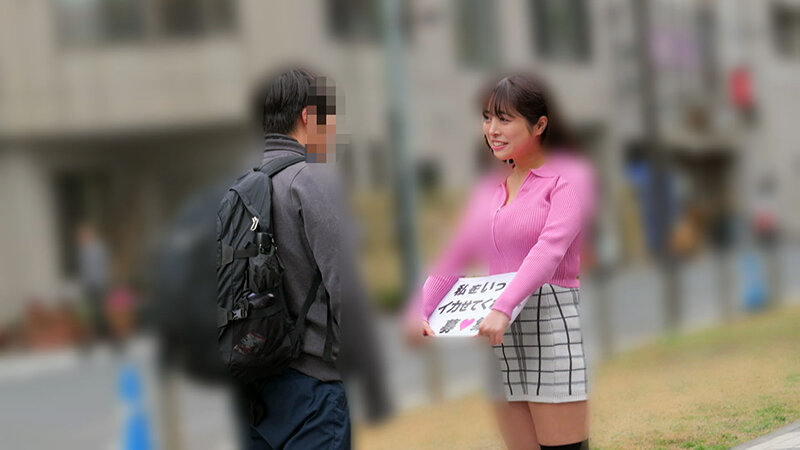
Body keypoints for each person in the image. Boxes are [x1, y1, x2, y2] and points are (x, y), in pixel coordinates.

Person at [406, 74, 596, 450]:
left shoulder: (569, 178)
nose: (492, 129)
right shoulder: (487, 190)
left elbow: (549, 250)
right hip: (497, 332)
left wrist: (503, 307)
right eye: (487, 118)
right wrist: (419, 310)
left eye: (504, 119)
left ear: (539, 125)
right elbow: (456, 254)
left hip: (547, 324)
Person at [241, 68, 362, 450]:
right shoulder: (311, 181)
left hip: (255, 391)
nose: (333, 126)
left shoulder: (243, 187)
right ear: (308, 116)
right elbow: (345, 289)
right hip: (311, 389)